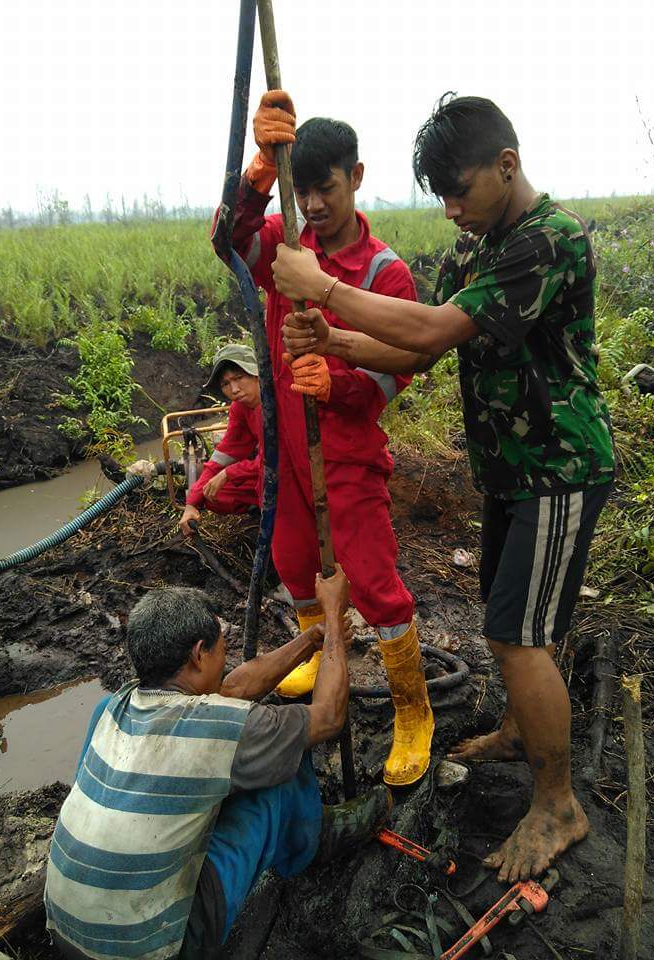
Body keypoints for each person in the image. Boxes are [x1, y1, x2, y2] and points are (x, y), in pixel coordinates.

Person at [271, 93, 616, 883]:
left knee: (518, 634)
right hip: (509, 470)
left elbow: (431, 333)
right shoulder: (478, 247)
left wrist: (322, 291)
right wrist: (336, 339)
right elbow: (410, 349)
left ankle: (557, 801)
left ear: (507, 164)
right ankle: (516, 729)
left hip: (558, 469)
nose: (451, 209)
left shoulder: (546, 240)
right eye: (440, 197)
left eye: (459, 191)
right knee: (509, 623)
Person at [212, 90, 434, 788]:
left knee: (371, 580)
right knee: (292, 554)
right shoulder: (284, 240)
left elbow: (397, 375)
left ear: (357, 177)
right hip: (286, 447)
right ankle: (315, 649)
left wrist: (337, 384)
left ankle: (413, 709)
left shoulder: (382, 271)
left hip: (344, 448)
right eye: (300, 191)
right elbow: (228, 243)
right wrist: (253, 180)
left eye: (325, 189)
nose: (311, 204)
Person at [44, 567, 391, 960]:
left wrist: (312, 640)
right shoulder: (218, 727)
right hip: (155, 949)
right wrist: (331, 613)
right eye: (221, 648)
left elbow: (234, 689)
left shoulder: (112, 708)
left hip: (65, 933)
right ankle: (314, 839)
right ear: (198, 654)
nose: (225, 658)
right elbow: (328, 716)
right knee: (277, 769)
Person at [127, 344, 262, 527]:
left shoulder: (279, 400)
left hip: (294, 472)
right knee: (211, 493)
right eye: (225, 384)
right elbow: (224, 454)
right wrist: (191, 504)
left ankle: (274, 509)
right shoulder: (240, 408)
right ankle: (259, 507)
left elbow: (281, 459)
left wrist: (229, 473)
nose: (234, 389)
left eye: (239, 378)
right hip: (266, 472)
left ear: (257, 373)